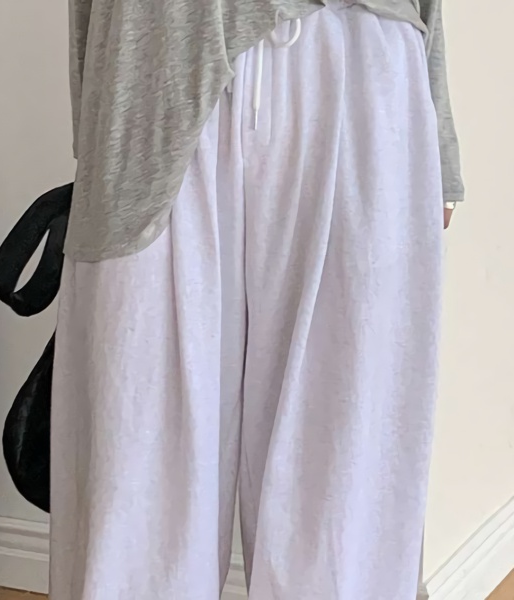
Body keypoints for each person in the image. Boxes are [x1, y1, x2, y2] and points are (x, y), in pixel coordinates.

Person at [50, 1, 463, 599]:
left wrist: (438, 132)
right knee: (137, 479)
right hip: (153, 60)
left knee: (343, 488)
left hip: (358, 56)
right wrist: (95, 117)